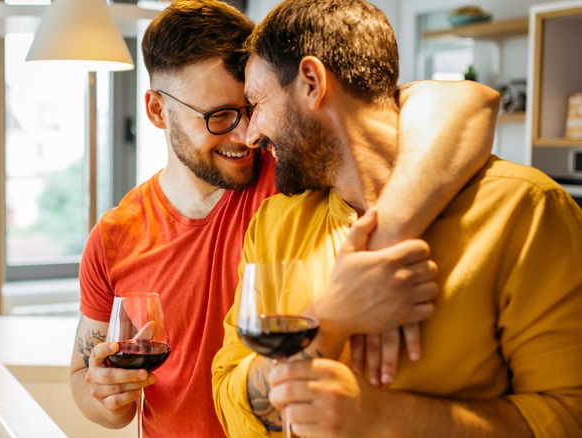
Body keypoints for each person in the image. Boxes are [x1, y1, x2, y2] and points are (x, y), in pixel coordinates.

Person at [71, 1, 501, 436]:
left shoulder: (293, 174)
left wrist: (386, 234)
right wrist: (107, 397)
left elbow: (466, 101)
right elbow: (82, 378)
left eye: (252, 106)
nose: (247, 134)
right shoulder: (114, 235)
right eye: (220, 116)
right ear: (157, 111)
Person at [211, 0, 582, 436]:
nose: (251, 134)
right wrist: (328, 320)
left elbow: (568, 418)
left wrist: (382, 417)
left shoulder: (525, 209)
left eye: (256, 103)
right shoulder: (275, 223)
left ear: (312, 82)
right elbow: (228, 394)